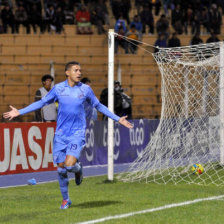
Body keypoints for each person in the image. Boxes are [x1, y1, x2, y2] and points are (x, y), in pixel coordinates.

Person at [3, 61, 133, 209]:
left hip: (76, 134)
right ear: (67, 72)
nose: (79, 73)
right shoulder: (58, 89)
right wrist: (20, 111)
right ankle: (66, 199)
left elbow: (98, 105)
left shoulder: (85, 89)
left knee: (69, 165)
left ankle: (78, 170)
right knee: (60, 168)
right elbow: (42, 102)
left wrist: (117, 118)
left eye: (80, 70)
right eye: (76, 70)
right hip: (60, 134)